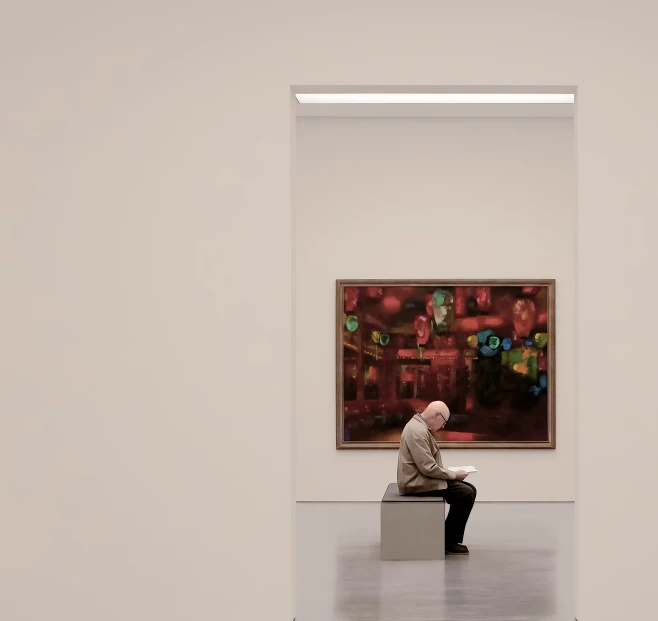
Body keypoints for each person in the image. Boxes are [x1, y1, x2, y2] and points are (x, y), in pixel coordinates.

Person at [397, 400, 476, 555]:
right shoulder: (417, 431)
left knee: (469, 489)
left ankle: (448, 539)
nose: (443, 426)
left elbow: (427, 465)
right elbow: (427, 467)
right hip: (416, 483)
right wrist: (454, 475)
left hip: (421, 477)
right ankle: (448, 542)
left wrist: (451, 474)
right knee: (465, 493)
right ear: (436, 416)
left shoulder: (418, 427)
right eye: (444, 422)